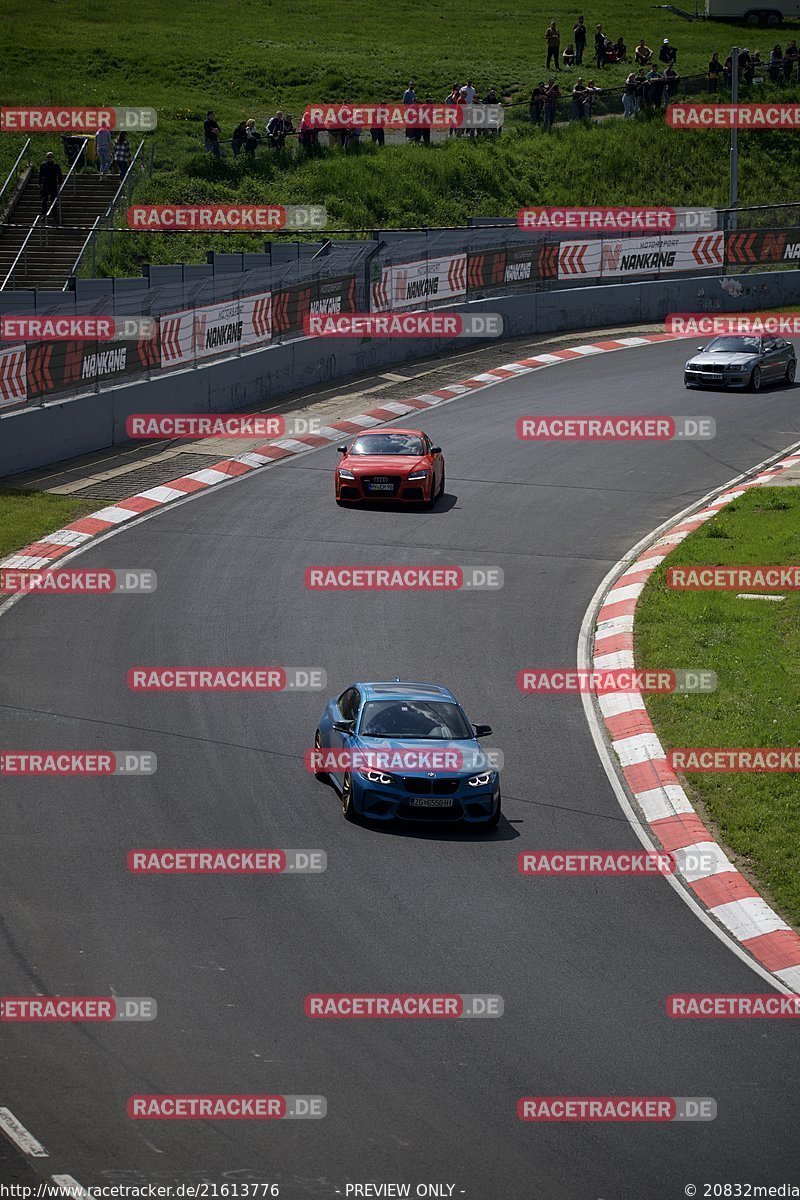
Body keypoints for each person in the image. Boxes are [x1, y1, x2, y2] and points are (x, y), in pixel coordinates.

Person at [38, 151, 62, 219]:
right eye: (48, 157)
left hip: (53, 184)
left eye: (50, 157)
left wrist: (59, 183)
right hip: (45, 184)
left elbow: (59, 175)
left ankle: (54, 214)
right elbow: (40, 175)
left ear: (52, 157)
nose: (49, 158)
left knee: (53, 199)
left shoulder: (56, 165)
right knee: (44, 200)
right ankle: (43, 214)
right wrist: (39, 183)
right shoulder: (43, 165)